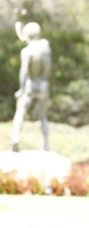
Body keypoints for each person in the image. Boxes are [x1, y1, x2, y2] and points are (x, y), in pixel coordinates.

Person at [11, 21, 51, 152]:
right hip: (44, 85)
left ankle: (16, 138)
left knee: (20, 112)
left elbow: (24, 72)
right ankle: (45, 144)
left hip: (30, 85)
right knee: (43, 116)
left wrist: (21, 89)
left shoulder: (27, 51)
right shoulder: (46, 48)